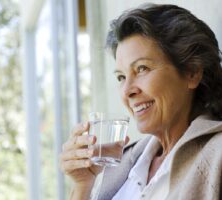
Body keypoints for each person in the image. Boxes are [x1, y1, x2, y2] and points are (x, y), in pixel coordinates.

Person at [60, 3, 222, 200]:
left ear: (192, 72)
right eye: (121, 77)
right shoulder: (123, 162)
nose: (127, 90)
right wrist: (82, 185)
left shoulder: (216, 155)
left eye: (142, 68)